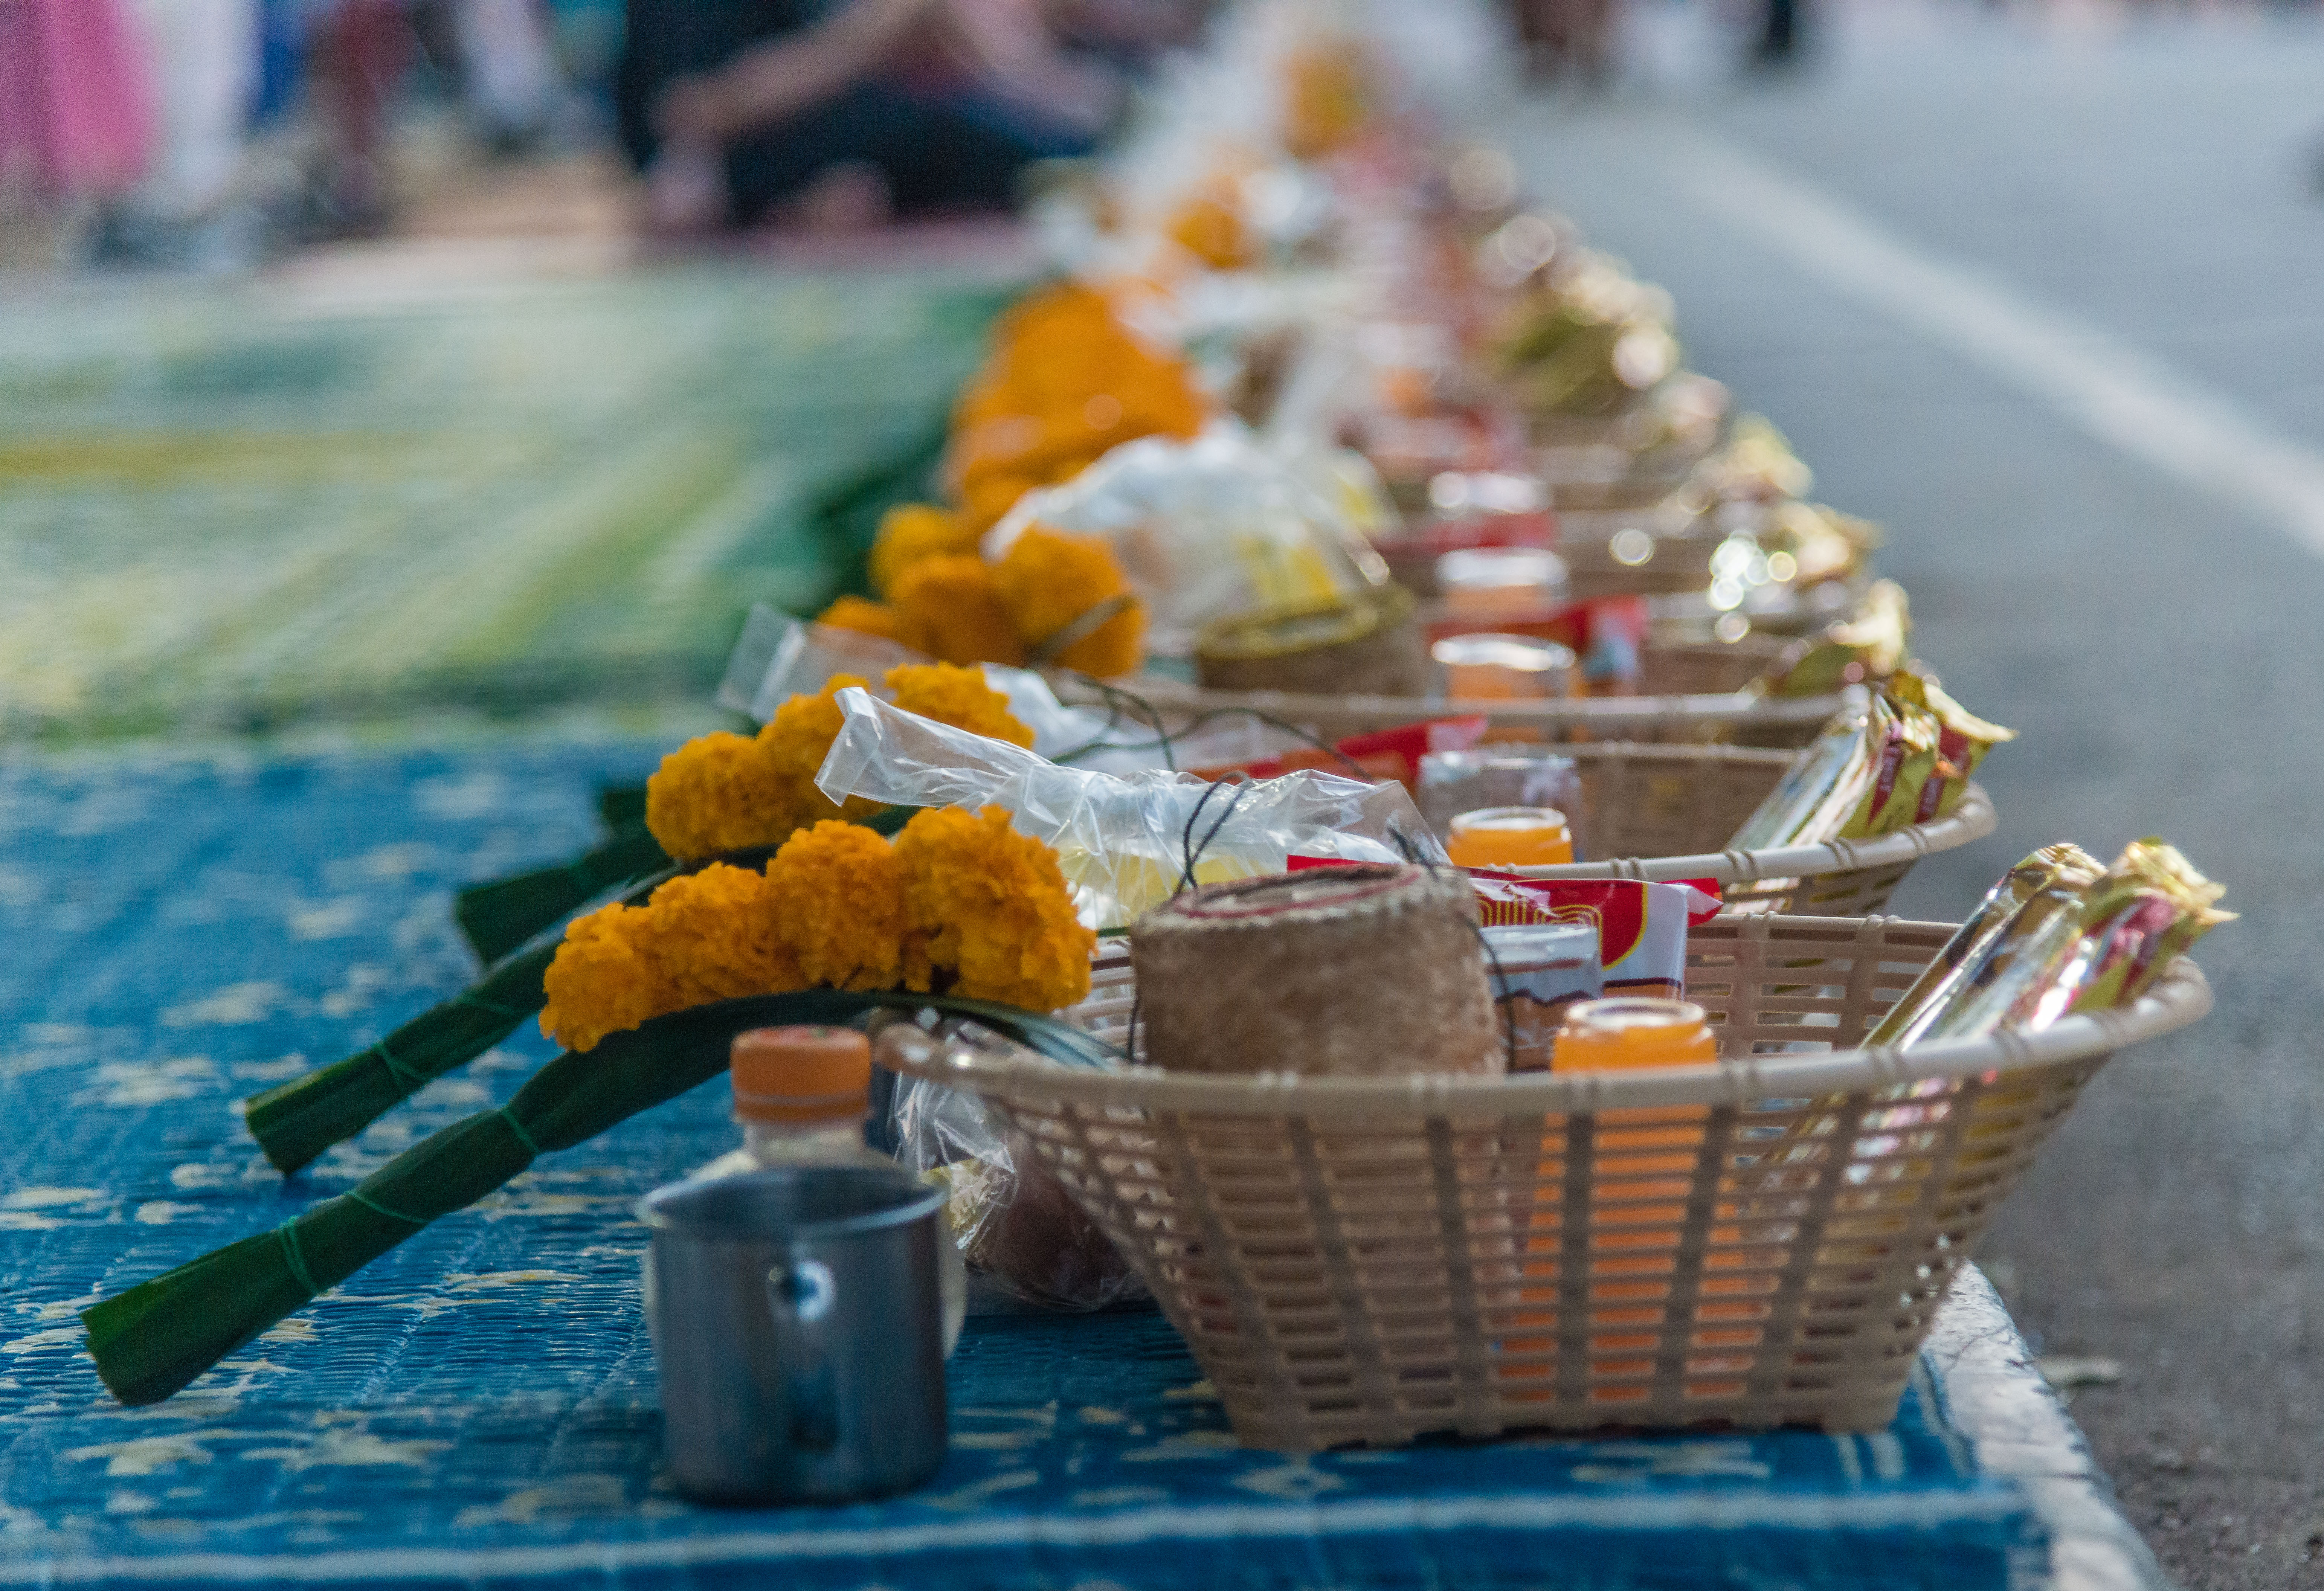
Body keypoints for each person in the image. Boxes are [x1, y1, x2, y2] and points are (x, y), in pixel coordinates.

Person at [616, 0, 1125, 233]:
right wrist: (866, 37)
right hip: (741, 152)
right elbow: (687, 109)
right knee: (953, 141)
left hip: (844, 120)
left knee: (1020, 140)